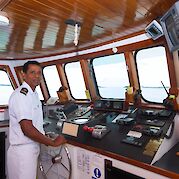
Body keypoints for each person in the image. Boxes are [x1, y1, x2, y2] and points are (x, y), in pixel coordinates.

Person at [7, 61, 66, 179]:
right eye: (32, 72)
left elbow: (34, 124)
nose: (36, 76)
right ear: (23, 74)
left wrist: (44, 136)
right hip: (23, 152)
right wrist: (52, 143)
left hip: (30, 149)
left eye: (39, 73)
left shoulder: (33, 94)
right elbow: (27, 129)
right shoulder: (21, 96)